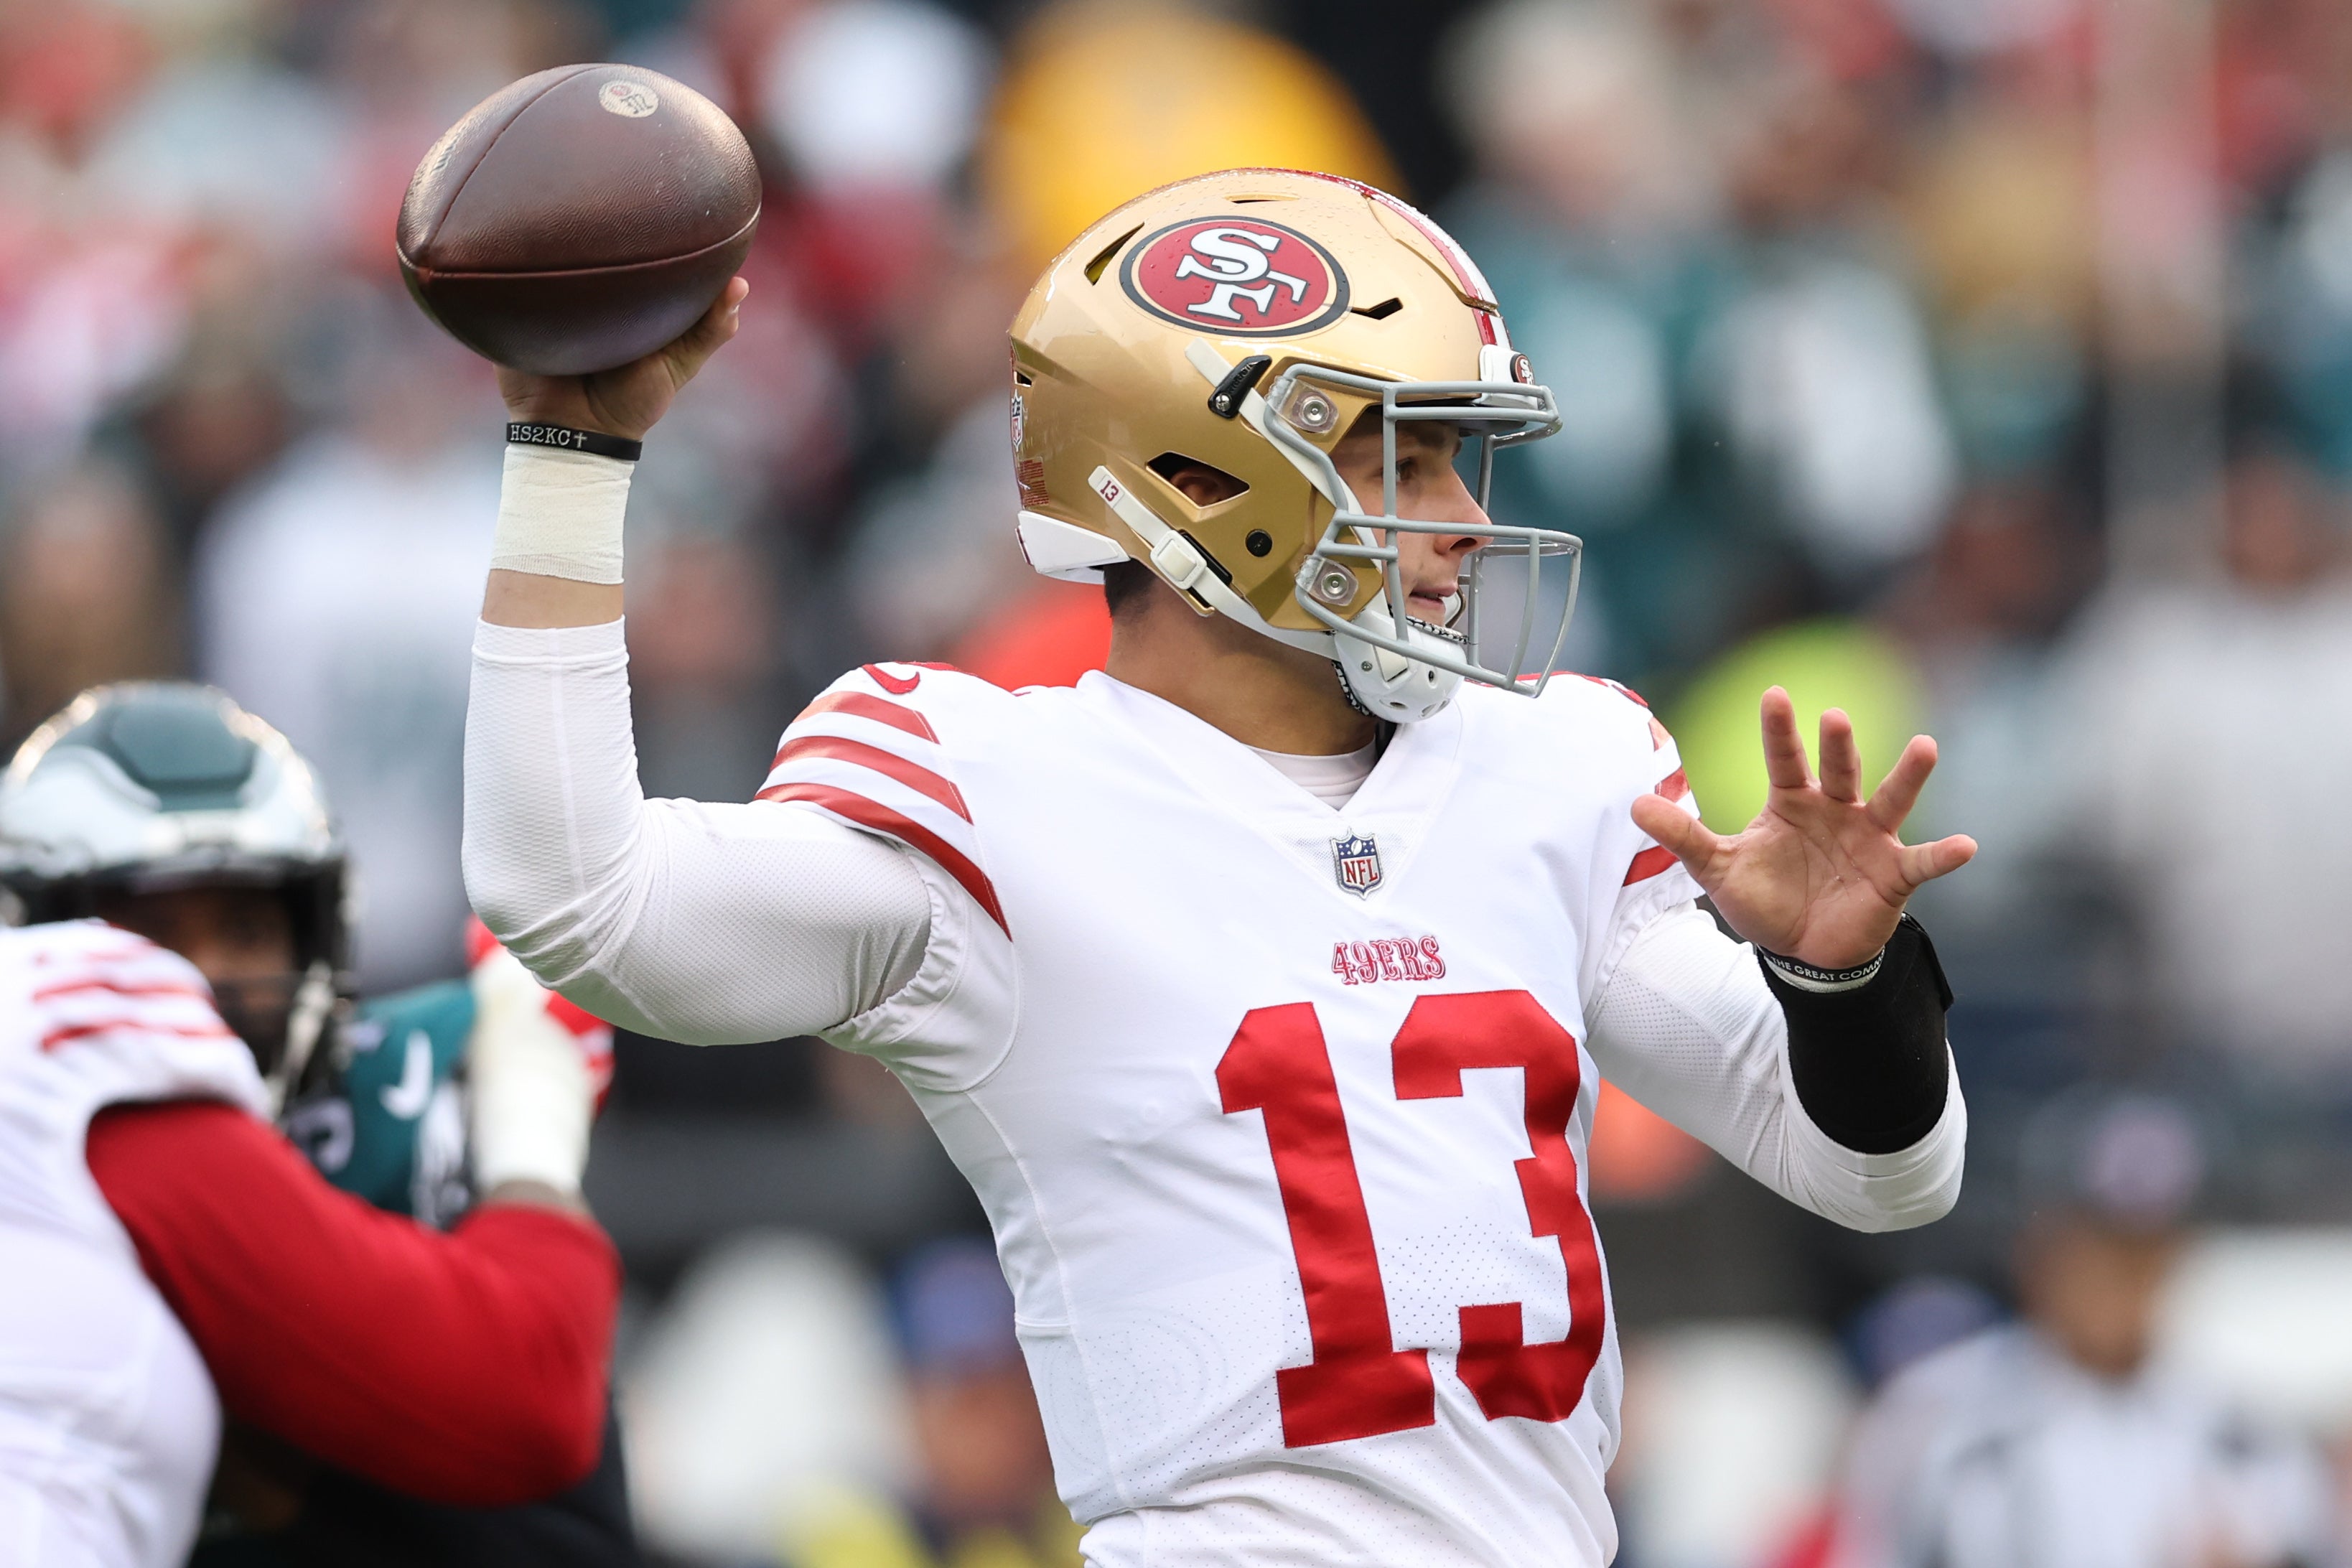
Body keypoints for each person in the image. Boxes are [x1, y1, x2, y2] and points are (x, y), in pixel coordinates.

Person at [462, 168, 1976, 1567]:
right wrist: (570, 453)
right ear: (1199, 481)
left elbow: (1882, 1174)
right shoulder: (995, 789)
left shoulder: (1558, 764)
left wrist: (1841, 979)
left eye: (1462, 461)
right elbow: (581, 900)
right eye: (1406, 462)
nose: (1466, 526)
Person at [0, 683, 621, 1568]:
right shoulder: (100, 1098)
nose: (203, 980)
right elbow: (534, 1397)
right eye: (151, 930)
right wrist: (533, 1119)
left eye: (246, 926)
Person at [1826, 1091, 2335, 1568]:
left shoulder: (2249, 1438)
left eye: (2145, 1252)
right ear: (2037, 1250)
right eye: (2097, 1247)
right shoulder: (1931, 1421)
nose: (2121, 1280)